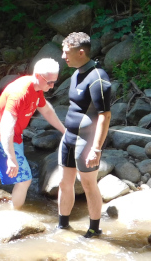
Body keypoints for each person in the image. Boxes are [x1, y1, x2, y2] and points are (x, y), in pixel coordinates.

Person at [0, 58, 66, 209]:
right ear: (39, 76)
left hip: (15, 135)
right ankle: (16, 215)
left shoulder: (37, 88)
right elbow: (5, 128)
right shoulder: (19, 94)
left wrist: (64, 131)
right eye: (50, 82)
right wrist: (11, 158)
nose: (52, 86)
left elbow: (46, 110)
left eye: (55, 82)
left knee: (10, 165)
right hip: (0, 137)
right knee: (24, 180)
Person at [57, 32, 112, 238]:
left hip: (87, 141)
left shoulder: (98, 77)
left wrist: (96, 149)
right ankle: (63, 225)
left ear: (81, 52)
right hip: (69, 137)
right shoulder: (76, 73)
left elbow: (105, 116)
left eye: (66, 52)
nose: (63, 56)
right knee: (64, 182)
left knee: (89, 184)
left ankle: (94, 229)